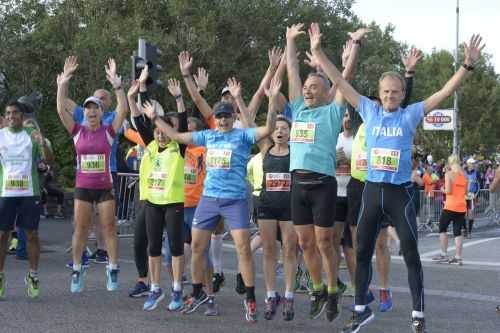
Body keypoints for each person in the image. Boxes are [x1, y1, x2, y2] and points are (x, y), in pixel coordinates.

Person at [309, 22, 484, 332]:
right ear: (379, 94)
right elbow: (338, 78)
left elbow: (444, 92)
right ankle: (361, 308)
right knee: (361, 252)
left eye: (395, 92)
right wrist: (318, 51)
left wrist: (467, 65)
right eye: (385, 92)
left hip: (399, 194)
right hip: (372, 192)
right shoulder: (368, 109)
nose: (390, 96)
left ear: (403, 93)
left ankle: (418, 314)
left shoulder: (410, 113)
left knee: (412, 253)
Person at [141, 76, 279, 322]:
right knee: (196, 248)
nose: (223, 120)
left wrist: (270, 103)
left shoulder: (244, 135)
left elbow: (268, 129)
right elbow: (175, 135)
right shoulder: (208, 136)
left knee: (243, 250)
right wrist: (154, 118)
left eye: (227, 116)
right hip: (209, 199)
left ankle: (250, 298)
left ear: (234, 117)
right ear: (215, 119)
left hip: (234, 200)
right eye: (220, 117)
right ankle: (197, 293)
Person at [285, 22, 370, 323]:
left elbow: (344, 78)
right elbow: (292, 71)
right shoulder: (297, 109)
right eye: (306, 88)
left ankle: (333, 290)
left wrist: (355, 47)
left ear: (326, 92)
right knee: (305, 243)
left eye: (314, 88)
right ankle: (318, 289)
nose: (307, 90)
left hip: (322, 185)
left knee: (324, 243)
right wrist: (290, 41)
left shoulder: (333, 110)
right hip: (298, 184)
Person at [56, 56, 128, 293]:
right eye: (87, 108)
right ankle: (77, 269)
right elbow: (60, 108)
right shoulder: (77, 131)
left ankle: (113, 267)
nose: (91, 111)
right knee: (81, 228)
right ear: (84, 113)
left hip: (104, 187)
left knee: (108, 227)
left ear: (100, 111)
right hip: (83, 187)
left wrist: (118, 86)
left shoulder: (109, 132)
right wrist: (63, 83)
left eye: (95, 108)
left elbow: (123, 109)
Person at [132, 78, 188, 312]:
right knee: (153, 247)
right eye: (157, 133)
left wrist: (178, 98)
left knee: (176, 247)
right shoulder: (150, 145)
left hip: (173, 204)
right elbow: (139, 118)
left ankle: (176, 288)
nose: (161, 136)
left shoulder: (178, 145)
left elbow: (183, 122)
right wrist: (134, 94)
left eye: (164, 132)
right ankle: (155, 288)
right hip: (153, 204)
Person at [0, 101, 52, 299]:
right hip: (5, 193)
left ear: (21, 116)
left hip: (29, 192)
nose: (11, 116)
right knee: (2, 235)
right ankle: (0, 275)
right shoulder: (0, 136)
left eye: (15, 113)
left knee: (31, 234)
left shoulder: (31, 135)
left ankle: (33, 275)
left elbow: (48, 161)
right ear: (5, 117)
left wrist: (42, 143)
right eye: (8, 113)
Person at [255, 115, 297, 321]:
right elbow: (247, 121)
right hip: (266, 206)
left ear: (290, 133)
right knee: (269, 250)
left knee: (289, 250)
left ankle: (289, 295)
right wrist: (238, 99)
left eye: (284, 129)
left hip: (289, 208)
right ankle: (271, 295)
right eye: (276, 128)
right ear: (271, 132)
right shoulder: (265, 148)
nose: (280, 131)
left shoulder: (296, 151)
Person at [432, 155, 467, 265]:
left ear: (450, 163)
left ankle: (444, 254)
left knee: (442, 228)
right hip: (461, 206)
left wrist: (442, 188)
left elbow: (448, 191)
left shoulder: (449, 174)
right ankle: (458, 257)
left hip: (450, 206)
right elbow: (465, 193)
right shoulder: (464, 175)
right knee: (457, 231)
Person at [464, 158, 480, 237]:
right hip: (463, 196)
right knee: (463, 214)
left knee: (471, 214)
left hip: (472, 196)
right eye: (472, 163)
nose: (474, 165)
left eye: (474, 163)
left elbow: (479, 185)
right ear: (468, 164)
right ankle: (464, 230)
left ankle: (469, 232)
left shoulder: (477, 173)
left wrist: (477, 195)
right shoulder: (463, 172)